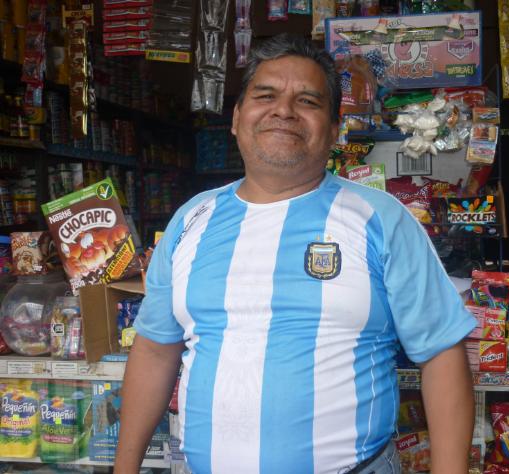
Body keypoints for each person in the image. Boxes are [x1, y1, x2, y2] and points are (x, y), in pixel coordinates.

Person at [114, 33, 476, 474]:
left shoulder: (381, 219)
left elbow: (441, 353)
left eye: (307, 101)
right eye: (265, 95)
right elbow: (155, 350)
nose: (283, 110)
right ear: (237, 118)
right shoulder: (191, 219)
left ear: (335, 129)